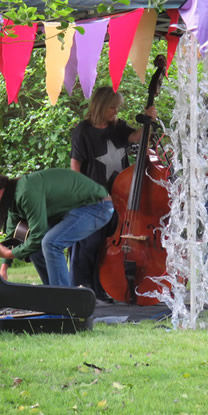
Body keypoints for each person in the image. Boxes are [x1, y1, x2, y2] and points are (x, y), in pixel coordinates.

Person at [69, 87, 157, 296]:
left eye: (117, 109)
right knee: (91, 243)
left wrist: (148, 121)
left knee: (109, 245)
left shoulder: (117, 127)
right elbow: (75, 166)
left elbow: (136, 138)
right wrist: (84, 193)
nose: (115, 113)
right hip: (93, 197)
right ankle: (83, 287)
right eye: (112, 108)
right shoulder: (83, 131)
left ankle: (103, 288)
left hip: (119, 197)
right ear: (100, 106)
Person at [0, 169, 114, 287]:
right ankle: (52, 295)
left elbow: (38, 235)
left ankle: (64, 303)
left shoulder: (25, 192)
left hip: (97, 205)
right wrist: (4, 268)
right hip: (72, 210)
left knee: (51, 243)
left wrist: (10, 254)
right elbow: (14, 236)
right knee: (35, 249)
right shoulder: (11, 198)